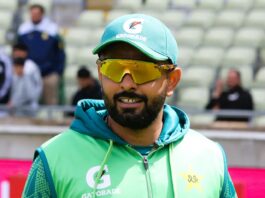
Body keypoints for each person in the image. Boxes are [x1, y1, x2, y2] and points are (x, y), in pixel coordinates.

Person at [23, 14, 237, 197]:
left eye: (142, 70)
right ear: (100, 73)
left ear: (172, 81)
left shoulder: (209, 157)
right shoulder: (53, 159)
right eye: (114, 69)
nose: (126, 84)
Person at [17, 3, 65, 105]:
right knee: (27, 102)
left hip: (49, 74)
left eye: (36, 13)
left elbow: (60, 52)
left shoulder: (52, 29)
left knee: (50, 103)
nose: (34, 15)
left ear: (42, 14)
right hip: (29, 73)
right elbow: (18, 51)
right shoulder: (23, 30)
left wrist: (57, 71)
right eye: (32, 13)